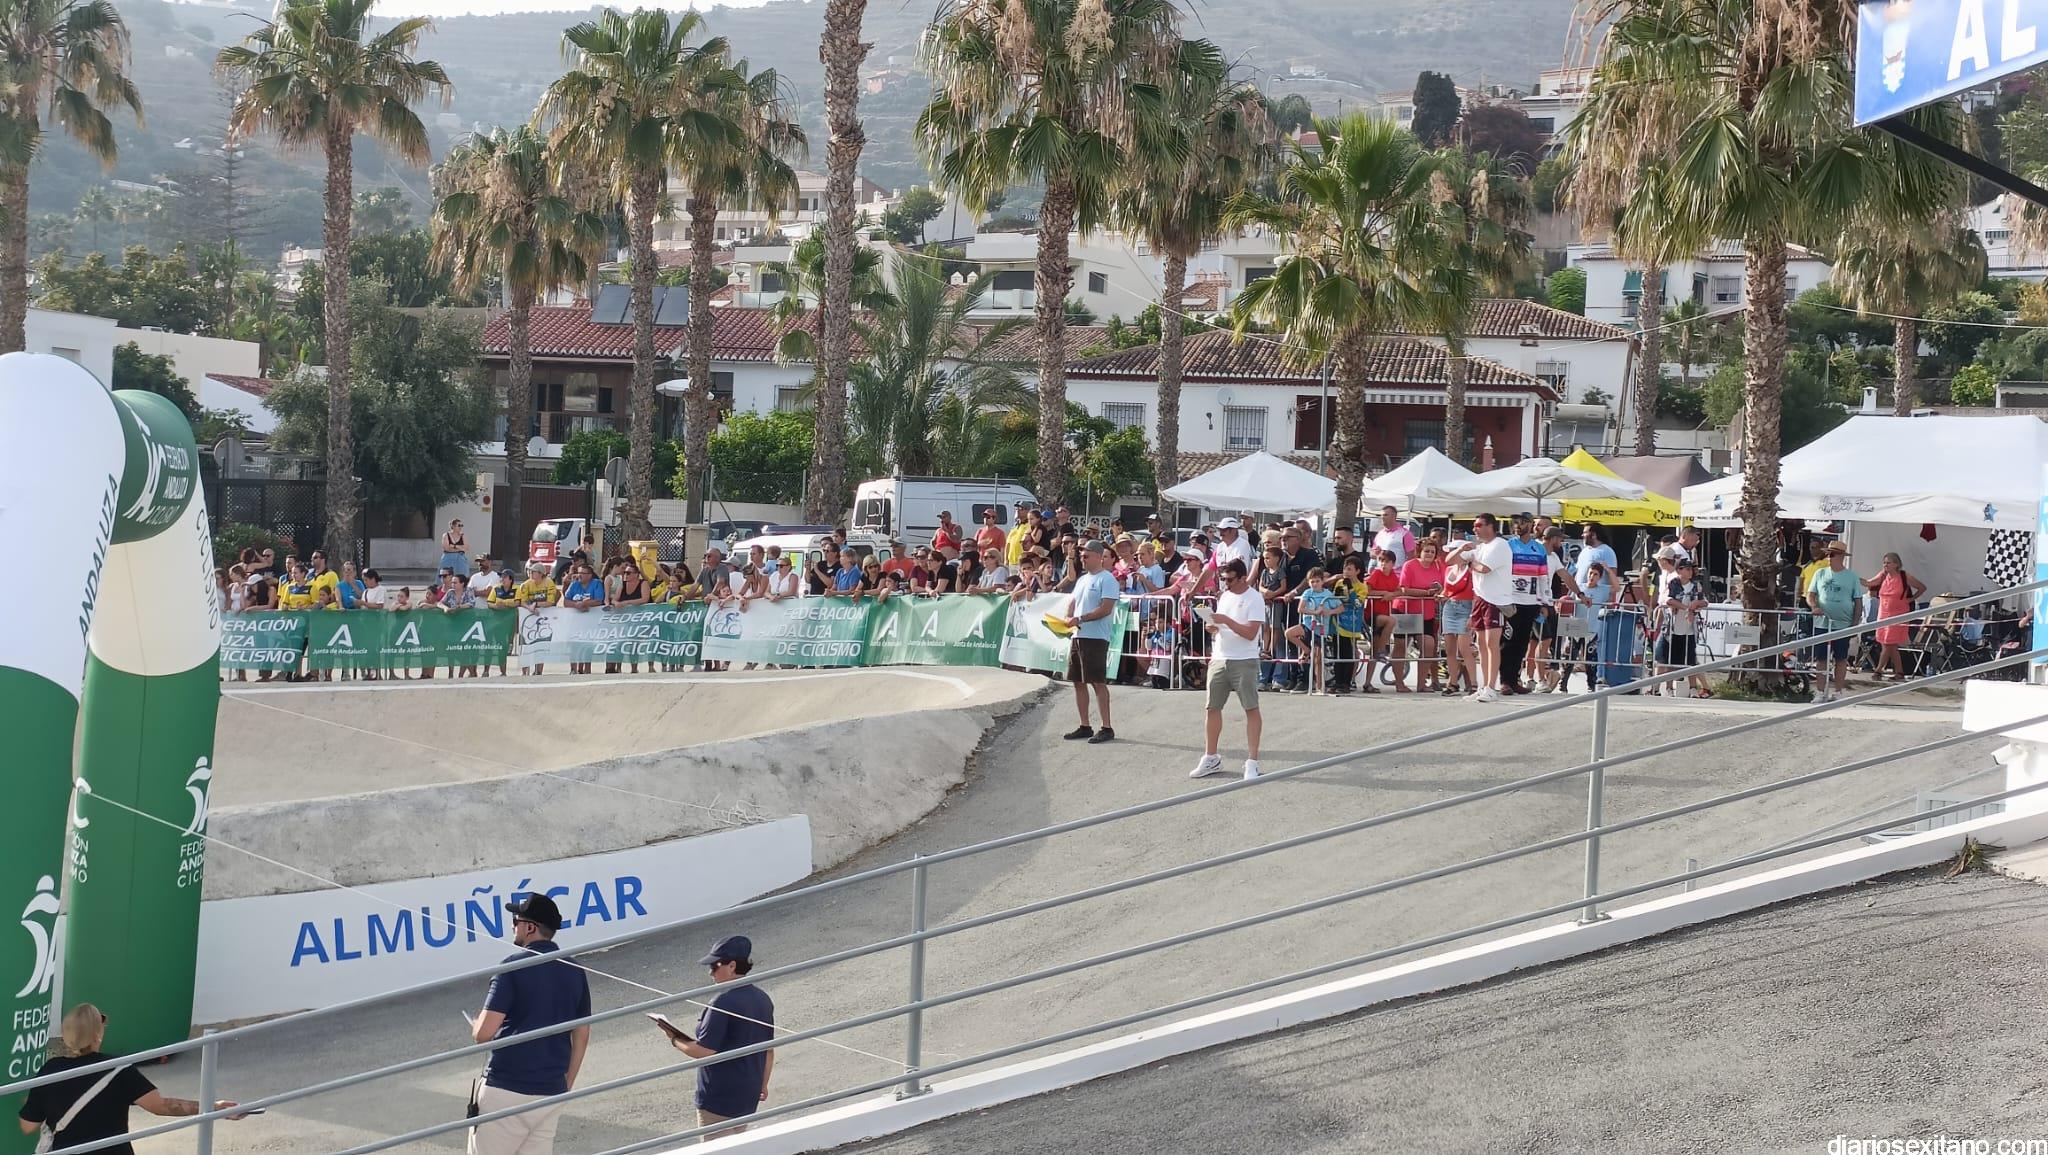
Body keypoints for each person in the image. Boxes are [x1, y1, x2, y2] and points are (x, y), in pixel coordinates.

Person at [16, 1004, 244, 1153]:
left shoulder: (50, 1071)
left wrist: (39, 1101)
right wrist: (214, 1107)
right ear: (97, 1035)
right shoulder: (117, 1068)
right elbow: (162, 1106)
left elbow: (27, 1126)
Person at [469, 893, 590, 1155]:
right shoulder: (575, 970)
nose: (513, 926)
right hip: (550, 1091)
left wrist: (476, 1024)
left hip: (506, 1087)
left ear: (530, 927)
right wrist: (566, 1084)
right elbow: (582, 1034)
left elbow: (483, 1034)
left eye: (516, 921)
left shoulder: (511, 968)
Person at [654, 935, 776, 1140]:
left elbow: (704, 1051)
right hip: (748, 1092)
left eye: (715, 966)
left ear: (732, 966)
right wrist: (763, 1083)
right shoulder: (762, 998)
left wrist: (674, 1039)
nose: (710, 972)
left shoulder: (722, 1002)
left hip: (720, 1096)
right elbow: (768, 1049)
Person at [1190, 558, 1266, 780]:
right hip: (1220, 656)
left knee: (1250, 708)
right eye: (1223, 579)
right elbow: (1220, 626)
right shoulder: (1224, 596)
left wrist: (1226, 620)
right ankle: (1211, 756)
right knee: (1212, 708)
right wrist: (1213, 625)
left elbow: (1251, 633)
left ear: (1242, 578)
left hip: (1245, 659)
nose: (1226, 584)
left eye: (1230, 579)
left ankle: (1252, 761)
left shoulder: (1255, 598)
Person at [1062, 540, 1122, 743]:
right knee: (1078, 681)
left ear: (1098, 556)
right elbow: (1072, 602)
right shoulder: (1082, 579)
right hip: (1078, 635)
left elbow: (1106, 608)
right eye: (1081, 556)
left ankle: (1106, 726)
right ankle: (1084, 725)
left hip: (1096, 637)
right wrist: (1068, 616)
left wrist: (1081, 618)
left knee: (1097, 682)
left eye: (1086, 556)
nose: (1083, 559)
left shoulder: (1107, 579)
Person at [1452, 513, 1512, 702]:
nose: (1475, 529)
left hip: (1496, 600)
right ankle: (1483, 686)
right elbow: (1450, 560)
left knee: (1491, 643)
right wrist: (1461, 548)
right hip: (1480, 600)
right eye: (1474, 525)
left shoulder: (1500, 545)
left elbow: (1484, 568)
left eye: (1478, 525)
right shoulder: (1480, 547)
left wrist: (1470, 561)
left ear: (1490, 526)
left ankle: (1491, 687)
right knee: (1481, 644)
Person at [1865, 552, 1927, 681]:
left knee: (1889, 642)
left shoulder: (1904, 576)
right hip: (1883, 613)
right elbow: (1869, 583)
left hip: (1898, 614)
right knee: (1888, 644)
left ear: (1896, 564)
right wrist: (1854, 578)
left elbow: (1922, 587)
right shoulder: (1883, 575)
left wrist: (1911, 599)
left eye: (1888, 563)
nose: (1885, 565)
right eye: (1884, 563)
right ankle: (1899, 672)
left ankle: (1878, 670)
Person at [1394, 538, 1445, 692]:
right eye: (1426, 551)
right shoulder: (1410, 565)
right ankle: (1399, 683)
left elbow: (1443, 587)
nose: (1429, 554)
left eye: (1432, 552)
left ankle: (1421, 684)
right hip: (1406, 610)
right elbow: (1404, 589)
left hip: (1426, 613)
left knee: (1429, 645)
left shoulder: (1438, 567)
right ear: (1420, 552)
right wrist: (1426, 593)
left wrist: (1439, 591)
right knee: (1401, 646)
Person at [1284, 567, 1340, 695]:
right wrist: (1314, 612)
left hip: (1321, 629)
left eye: (1317, 581)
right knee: (1289, 633)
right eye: (1312, 581)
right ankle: (1305, 650)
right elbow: (1300, 609)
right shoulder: (1307, 593)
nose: (1314, 584)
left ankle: (1319, 686)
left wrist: (1329, 611)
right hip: (1308, 625)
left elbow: (1340, 607)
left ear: (1322, 581)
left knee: (1318, 659)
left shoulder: (1328, 594)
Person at [1439, 539, 1476, 695]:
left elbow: (1475, 594)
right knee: (1450, 649)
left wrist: (1472, 615)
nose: (1452, 553)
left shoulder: (1471, 570)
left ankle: (1473, 683)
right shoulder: (1449, 570)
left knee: (1464, 648)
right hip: (1450, 607)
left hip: (1465, 608)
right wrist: (1442, 595)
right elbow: (1447, 590)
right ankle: (1453, 682)